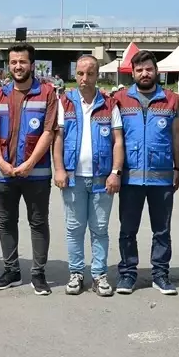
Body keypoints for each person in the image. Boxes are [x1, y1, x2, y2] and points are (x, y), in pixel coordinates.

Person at [0, 43, 58, 295]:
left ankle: (38, 274)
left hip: (36, 174)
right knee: (7, 222)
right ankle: (12, 270)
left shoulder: (47, 94)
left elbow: (48, 132)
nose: (18, 66)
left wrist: (29, 164)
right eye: (13, 62)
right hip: (3, 173)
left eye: (22, 62)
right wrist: (2, 162)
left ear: (32, 64)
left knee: (38, 222)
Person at [54, 54, 124, 297]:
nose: (85, 78)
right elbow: (58, 138)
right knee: (74, 228)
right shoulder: (65, 102)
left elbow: (117, 141)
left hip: (101, 179)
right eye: (81, 73)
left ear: (98, 75)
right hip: (73, 178)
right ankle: (76, 272)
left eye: (90, 73)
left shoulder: (109, 104)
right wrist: (60, 169)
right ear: (75, 75)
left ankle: (99, 274)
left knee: (100, 229)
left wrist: (115, 172)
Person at [114, 50, 179, 296]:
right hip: (130, 178)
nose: (145, 73)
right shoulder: (120, 99)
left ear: (157, 71)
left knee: (162, 230)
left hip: (162, 177)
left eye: (149, 69)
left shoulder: (171, 99)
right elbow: (116, 138)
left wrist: (178, 168)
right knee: (127, 229)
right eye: (140, 70)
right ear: (132, 73)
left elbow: (177, 137)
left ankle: (160, 274)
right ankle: (128, 274)